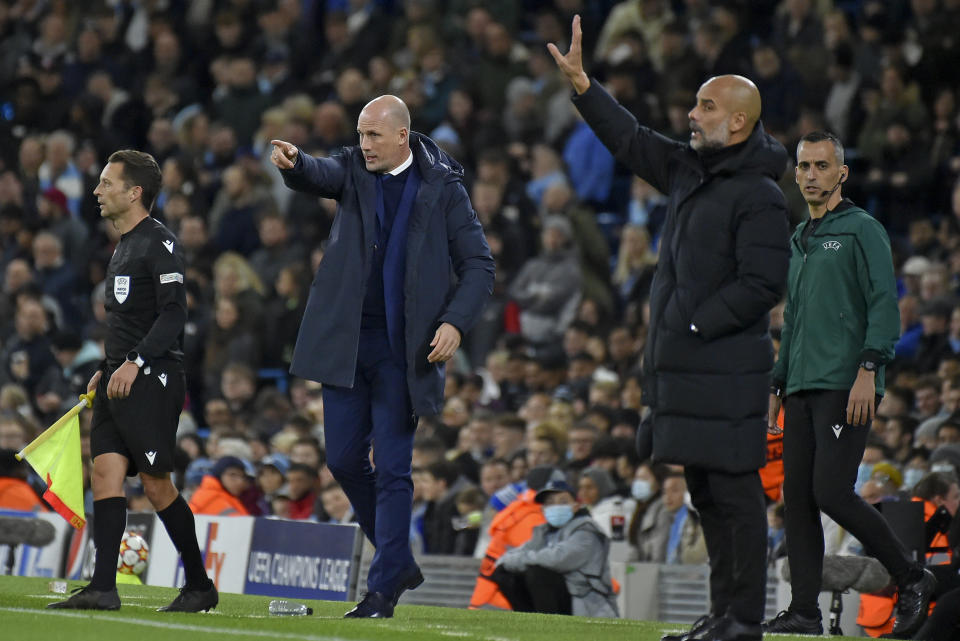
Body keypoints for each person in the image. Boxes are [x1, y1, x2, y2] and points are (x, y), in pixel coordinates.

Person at [549, 16, 790, 641]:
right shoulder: (690, 171)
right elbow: (630, 141)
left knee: (736, 502)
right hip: (691, 375)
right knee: (708, 498)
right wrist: (583, 87)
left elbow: (764, 283)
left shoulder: (760, 194)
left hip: (726, 372)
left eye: (706, 106)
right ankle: (721, 615)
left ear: (738, 121)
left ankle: (743, 620)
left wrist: (692, 320)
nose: (692, 114)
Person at [270, 95, 494, 618]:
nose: (363, 144)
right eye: (360, 134)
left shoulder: (444, 189)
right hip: (347, 344)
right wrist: (298, 163)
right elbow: (321, 173)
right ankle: (397, 559)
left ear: (401, 136)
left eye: (373, 135)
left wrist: (454, 323)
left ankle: (381, 591)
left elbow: (479, 266)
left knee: (393, 468)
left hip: (404, 350)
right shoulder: (353, 167)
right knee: (343, 459)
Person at [763, 131, 936, 637]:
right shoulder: (801, 237)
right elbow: (793, 318)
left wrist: (868, 369)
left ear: (842, 172)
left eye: (821, 165)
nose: (811, 174)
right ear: (795, 174)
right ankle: (804, 612)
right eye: (804, 166)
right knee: (796, 495)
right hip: (800, 383)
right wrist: (777, 381)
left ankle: (910, 576)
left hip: (846, 381)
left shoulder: (863, 229)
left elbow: (884, 303)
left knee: (831, 492)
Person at [48, 150, 217, 612]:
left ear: (134, 192)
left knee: (157, 484)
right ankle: (104, 586)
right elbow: (129, 319)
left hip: (153, 378)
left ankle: (200, 584)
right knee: (104, 473)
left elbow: (174, 313)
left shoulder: (159, 244)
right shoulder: (122, 244)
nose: (97, 190)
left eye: (106, 183)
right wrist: (109, 364)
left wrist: (136, 361)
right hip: (118, 377)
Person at [491, 479, 619, 618]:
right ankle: (529, 621)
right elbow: (512, 555)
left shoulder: (587, 531)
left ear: (576, 506)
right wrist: (505, 563)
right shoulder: (545, 532)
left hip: (586, 602)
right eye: (550, 503)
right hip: (565, 597)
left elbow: (557, 559)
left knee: (537, 572)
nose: (556, 506)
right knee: (503, 573)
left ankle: (550, 624)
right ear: (543, 509)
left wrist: (517, 560)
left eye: (563, 502)